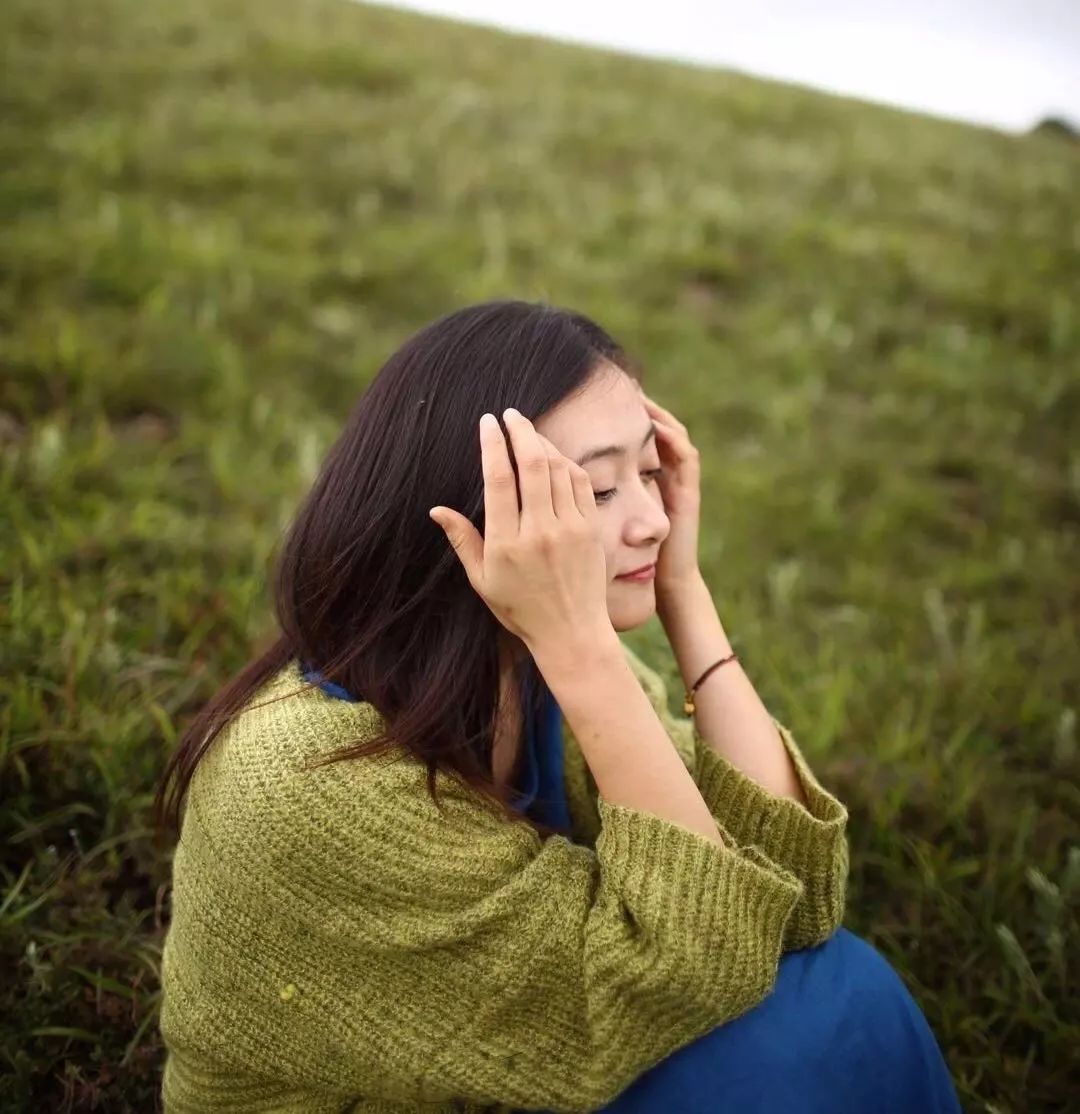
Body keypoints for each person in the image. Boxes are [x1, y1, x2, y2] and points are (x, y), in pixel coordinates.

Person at [155, 298, 962, 1112]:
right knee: (781, 1046)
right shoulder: (306, 786)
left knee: (842, 989)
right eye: (598, 491)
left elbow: (794, 897)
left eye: (650, 472)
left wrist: (685, 593)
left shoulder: (543, 667)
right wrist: (582, 649)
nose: (653, 520)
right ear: (464, 521)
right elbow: (703, 956)